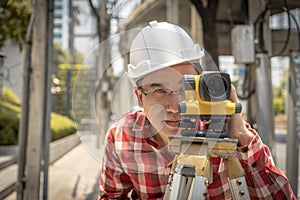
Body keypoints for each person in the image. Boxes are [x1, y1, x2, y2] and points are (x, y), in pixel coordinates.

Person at [98, 20, 296, 199]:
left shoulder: (225, 131)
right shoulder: (122, 136)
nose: (175, 107)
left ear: (201, 84)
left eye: (186, 87)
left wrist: (241, 136)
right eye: (160, 91)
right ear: (140, 97)